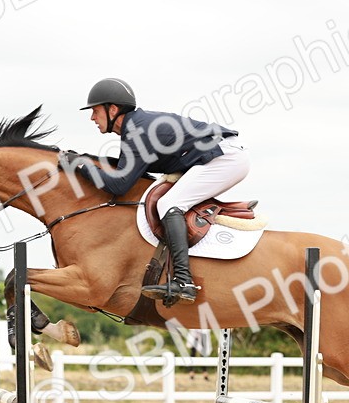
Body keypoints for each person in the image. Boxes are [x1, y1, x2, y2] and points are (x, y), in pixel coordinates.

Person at [67, 78, 249, 306]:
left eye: (95, 111)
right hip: (218, 155)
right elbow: (125, 170)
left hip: (224, 158)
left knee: (168, 204)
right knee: (169, 202)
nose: (92, 118)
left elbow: (119, 185)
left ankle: (184, 281)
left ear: (112, 109)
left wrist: (81, 166)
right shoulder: (136, 127)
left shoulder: (137, 131)